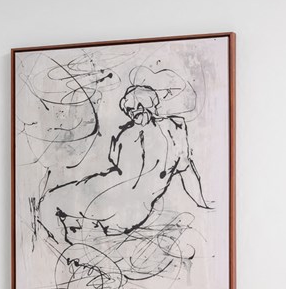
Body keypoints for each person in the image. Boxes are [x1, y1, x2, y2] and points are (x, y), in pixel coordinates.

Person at [35, 84, 213, 247]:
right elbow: (186, 170)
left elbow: (116, 163)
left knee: (49, 202)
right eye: (130, 109)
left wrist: (202, 203)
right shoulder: (174, 129)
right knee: (56, 202)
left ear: (147, 105)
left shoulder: (129, 134)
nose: (133, 112)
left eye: (137, 107)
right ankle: (77, 237)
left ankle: (64, 247)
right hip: (130, 213)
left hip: (115, 202)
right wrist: (202, 203)